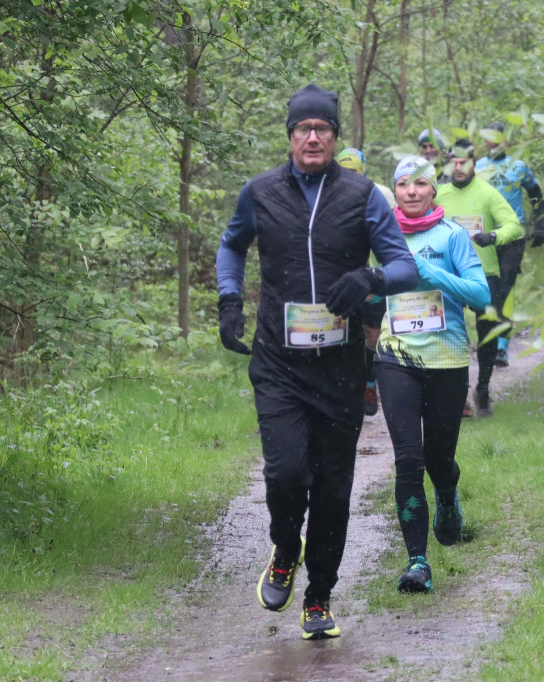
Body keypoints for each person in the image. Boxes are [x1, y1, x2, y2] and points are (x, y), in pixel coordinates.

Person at [215, 84, 419, 640]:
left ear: (335, 137)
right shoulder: (259, 192)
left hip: (340, 365)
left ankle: (320, 596)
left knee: (332, 487)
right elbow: (232, 245)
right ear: (289, 137)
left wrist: (370, 277)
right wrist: (229, 298)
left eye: (322, 130)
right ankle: (285, 549)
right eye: (303, 129)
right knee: (284, 474)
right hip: (278, 361)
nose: (312, 137)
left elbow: (404, 265)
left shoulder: (362, 195)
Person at [371, 155, 490, 593]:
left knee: (438, 459)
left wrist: (431, 273)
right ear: (395, 192)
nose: (412, 192)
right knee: (408, 460)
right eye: (404, 185)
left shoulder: (453, 236)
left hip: (448, 360)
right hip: (395, 357)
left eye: (421, 184)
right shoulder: (380, 235)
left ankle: (447, 491)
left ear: (433, 189)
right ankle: (417, 561)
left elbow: (480, 293)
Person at [435, 140, 523, 417]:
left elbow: (514, 226)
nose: (459, 167)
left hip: (485, 274)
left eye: (464, 161)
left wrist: (493, 236)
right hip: (449, 274)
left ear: (474, 162)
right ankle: (458, 392)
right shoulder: (439, 194)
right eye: (454, 162)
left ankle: (482, 386)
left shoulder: (487, 193)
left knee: (487, 333)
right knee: (451, 333)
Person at [475, 121, 544, 368]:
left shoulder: (519, 167)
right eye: (490, 137)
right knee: (488, 289)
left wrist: (540, 225)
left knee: (505, 287)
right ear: (485, 140)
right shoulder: (476, 168)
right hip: (485, 237)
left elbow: (537, 196)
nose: (494, 141)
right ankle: (488, 339)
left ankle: (502, 347)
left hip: (512, 237)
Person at [336, 147, 395, 417]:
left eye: (354, 174)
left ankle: (369, 383)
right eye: (344, 173)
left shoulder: (381, 194)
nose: (349, 179)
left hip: (374, 278)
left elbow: (394, 239)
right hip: (343, 278)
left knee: (373, 334)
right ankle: (345, 391)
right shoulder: (327, 194)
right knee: (343, 335)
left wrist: (383, 281)